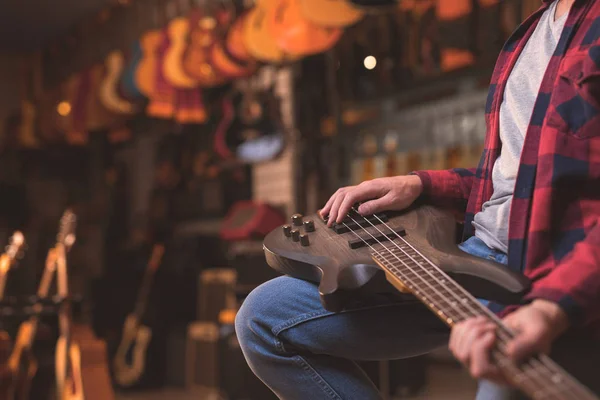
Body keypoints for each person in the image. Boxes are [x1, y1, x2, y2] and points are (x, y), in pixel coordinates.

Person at [235, 0, 600, 398]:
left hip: (553, 278)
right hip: (475, 255)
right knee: (263, 317)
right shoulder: (529, 34)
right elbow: (516, 178)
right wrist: (421, 184)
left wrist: (553, 306)